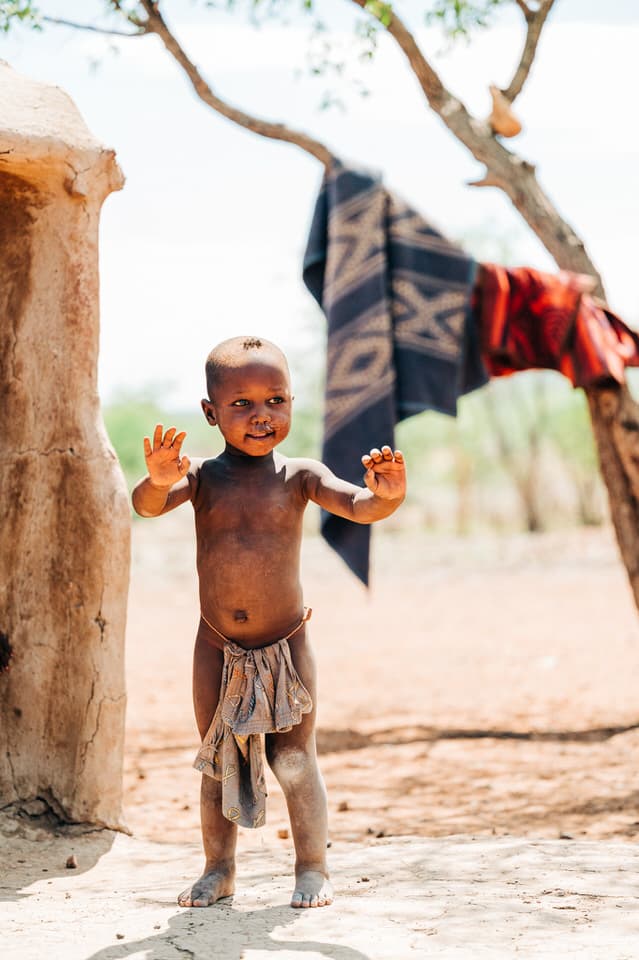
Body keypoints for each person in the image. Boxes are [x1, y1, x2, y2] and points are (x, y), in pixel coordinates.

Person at [131, 335, 406, 909]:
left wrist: (387, 497)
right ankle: (218, 870)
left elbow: (358, 505)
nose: (262, 416)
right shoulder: (203, 477)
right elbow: (147, 505)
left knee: (295, 759)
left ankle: (312, 868)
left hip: (287, 644)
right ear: (211, 413)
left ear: (291, 402)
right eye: (242, 404)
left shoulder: (300, 475)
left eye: (275, 399)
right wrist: (157, 479)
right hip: (216, 646)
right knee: (217, 757)